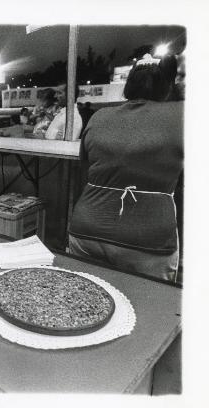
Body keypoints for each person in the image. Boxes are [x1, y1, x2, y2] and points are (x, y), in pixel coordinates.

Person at [68, 53, 183, 280]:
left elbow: (86, 168)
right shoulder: (182, 115)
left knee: (84, 304)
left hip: (86, 230)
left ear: (128, 86)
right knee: (145, 311)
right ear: (167, 86)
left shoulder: (100, 117)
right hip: (147, 240)